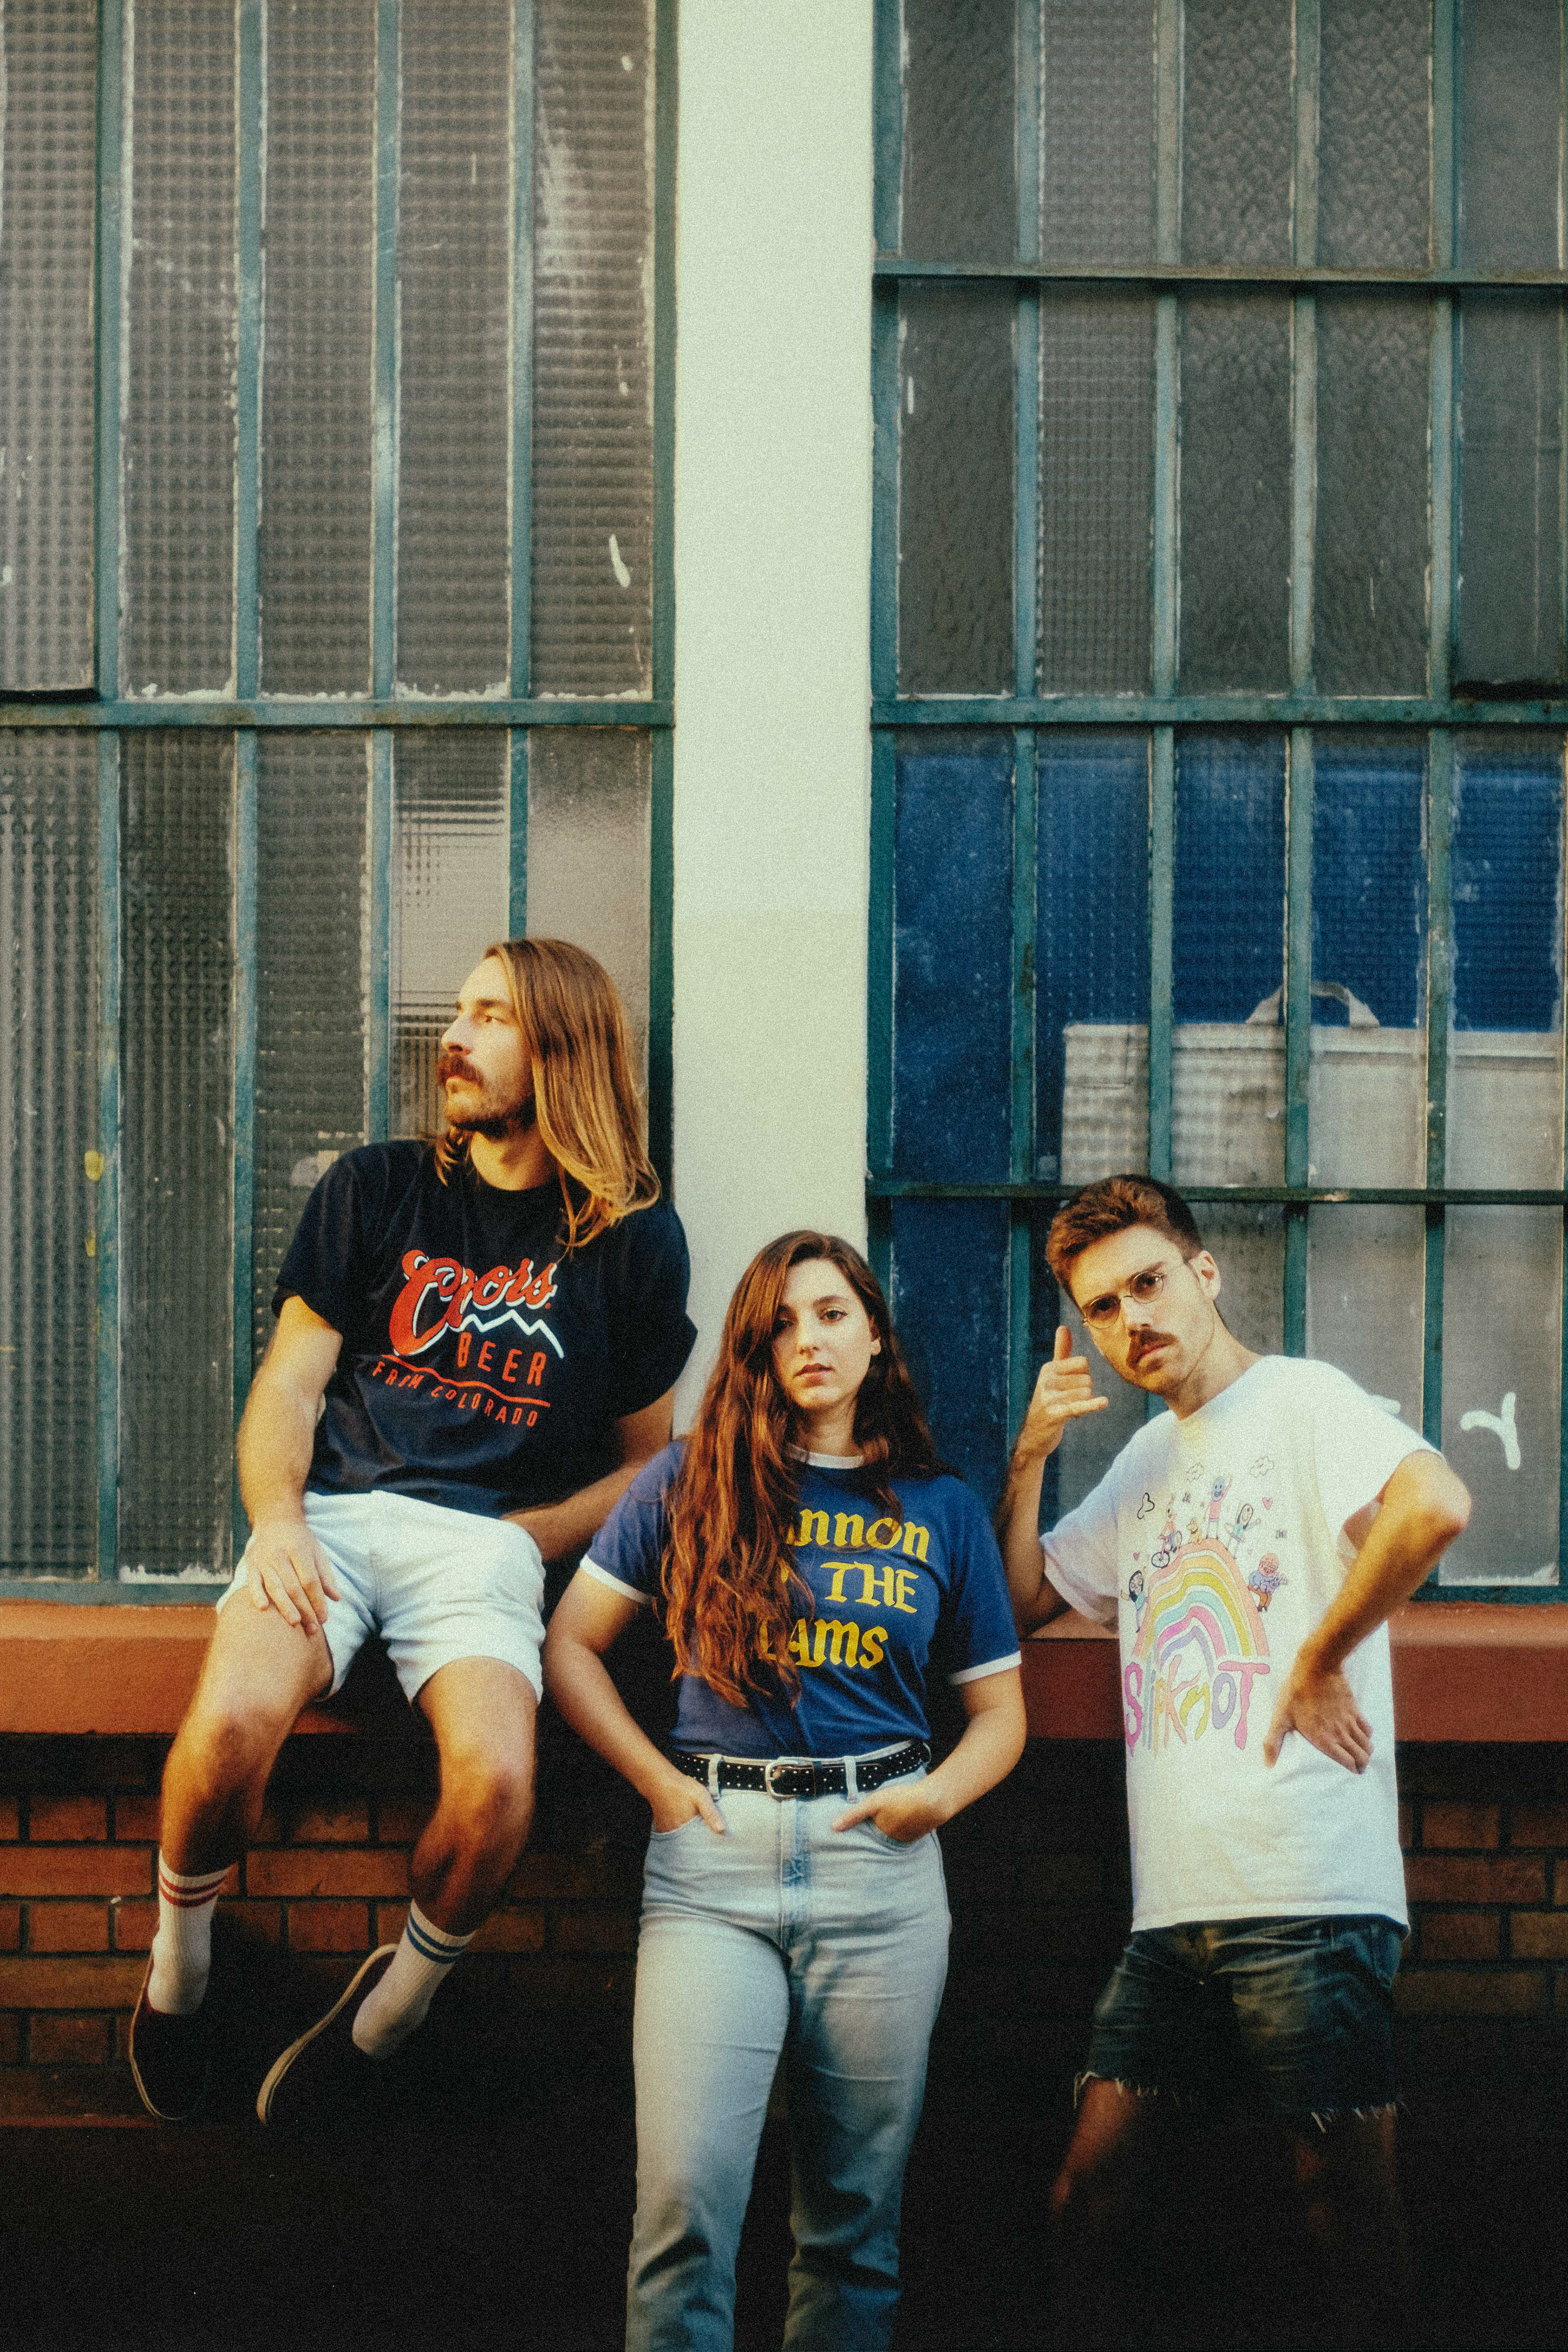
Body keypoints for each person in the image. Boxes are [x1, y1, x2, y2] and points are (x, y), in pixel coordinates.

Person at [128, 938, 695, 2127]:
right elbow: (289, 1385)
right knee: (229, 1725)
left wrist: (526, 1536)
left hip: (486, 1546)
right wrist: (277, 1518)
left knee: (495, 1789)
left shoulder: (632, 1238)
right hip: (330, 1515)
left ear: (562, 1048)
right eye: (459, 1011)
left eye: (491, 1017)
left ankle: (391, 2014)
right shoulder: (377, 1188)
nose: (454, 1036)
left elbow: (656, 1464)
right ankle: (181, 1971)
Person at [998, 1174, 1471, 2348]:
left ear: (1205, 1275)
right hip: (1174, 1919)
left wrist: (1319, 1655)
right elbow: (1019, 1604)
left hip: (1307, 1896)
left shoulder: (1304, 1403)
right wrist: (1033, 1453)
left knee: (1348, 2228)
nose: (1132, 1323)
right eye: (1102, 1309)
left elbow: (1435, 1504)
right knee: (1085, 2209)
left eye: (1149, 1284)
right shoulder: (1144, 1463)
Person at [545, 1231, 1027, 2352]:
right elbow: (572, 1646)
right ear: (754, 1353)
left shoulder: (939, 1510)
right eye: (779, 1325)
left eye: (831, 1314)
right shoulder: (691, 1477)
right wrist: (661, 1786)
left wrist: (935, 1803)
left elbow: (1001, 1717)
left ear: (872, 1334)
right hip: (713, 1861)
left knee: (854, 2224)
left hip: (884, 1864)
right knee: (682, 2211)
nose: (808, 1340)